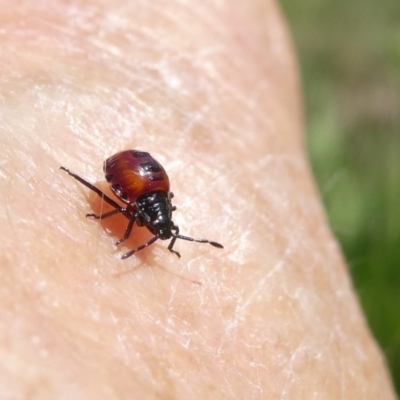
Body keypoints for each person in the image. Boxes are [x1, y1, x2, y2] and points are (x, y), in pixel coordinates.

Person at [0, 0, 396, 398]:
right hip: (134, 174)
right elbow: (129, 211)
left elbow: (159, 222)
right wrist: (123, 240)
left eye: (161, 232)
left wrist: (158, 240)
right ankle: (74, 178)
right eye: (160, 231)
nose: (160, 234)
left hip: (146, 179)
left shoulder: (158, 210)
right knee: (123, 212)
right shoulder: (139, 205)